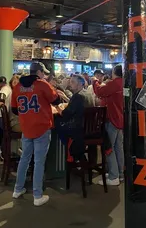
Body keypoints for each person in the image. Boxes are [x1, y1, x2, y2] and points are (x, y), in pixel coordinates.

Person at [11, 62, 60, 206]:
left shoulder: (17, 87)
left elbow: (15, 109)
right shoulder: (42, 85)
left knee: (24, 159)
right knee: (39, 161)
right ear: (38, 72)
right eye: (43, 73)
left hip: (26, 128)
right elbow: (56, 99)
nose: (44, 75)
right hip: (42, 127)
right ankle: (37, 195)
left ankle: (17, 189)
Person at [92, 64, 124, 186]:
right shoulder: (124, 83)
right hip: (120, 119)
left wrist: (94, 81)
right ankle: (119, 173)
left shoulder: (115, 83)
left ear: (114, 72)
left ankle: (113, 176)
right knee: (118, 148)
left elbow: (99, 91)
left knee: (109, 148)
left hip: (112, 119)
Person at [55, 74, 94, 161]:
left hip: (78, 130)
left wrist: (57, 107)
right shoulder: (88, 93)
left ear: (80, 84)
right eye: (70, 82)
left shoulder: (77, 96)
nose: (70, 84)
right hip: (90, 129)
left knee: (57, 124)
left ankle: (69, 154)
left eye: (73, 82)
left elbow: (66, 114)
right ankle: (78, 155)